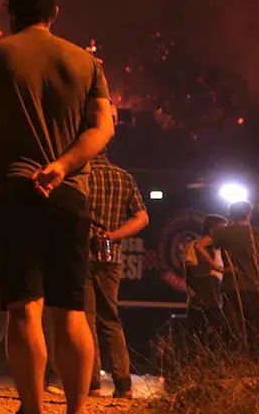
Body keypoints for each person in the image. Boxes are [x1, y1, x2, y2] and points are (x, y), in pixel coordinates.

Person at [0, 0, 114, 414]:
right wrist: (63, 165)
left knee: (23, 308)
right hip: (70, 194)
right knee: (70, 310)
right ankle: (76, 411)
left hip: (15, 191)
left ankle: (31, 408)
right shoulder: (86, 64)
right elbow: (102, 127)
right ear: (55, 12)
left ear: (11, 12)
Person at [83, 154, 148, 398]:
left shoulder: (81, 174)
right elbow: (142, 217)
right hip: (111, 256)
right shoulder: (124, 177)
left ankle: (90, 383)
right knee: (110, 318)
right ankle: (123, 384)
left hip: (82, 254)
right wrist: (112, 235)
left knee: (86, 319)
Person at [194, 201, 259, 348]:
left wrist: (216, 267)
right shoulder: (256, 233)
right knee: (254, 329)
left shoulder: (223, 232)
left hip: (231, 286)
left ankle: (235, 359)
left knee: (233, 329)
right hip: (254, 286)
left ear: (231, 214)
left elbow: (199, 245)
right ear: (249, 215)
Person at [184, 215, 226, 334]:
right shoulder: (196, 246)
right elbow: (191, 271)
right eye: (222, 228)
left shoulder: (220, 247)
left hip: (216, 294)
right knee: (200, 330)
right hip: (204, 294)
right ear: (212, 229)